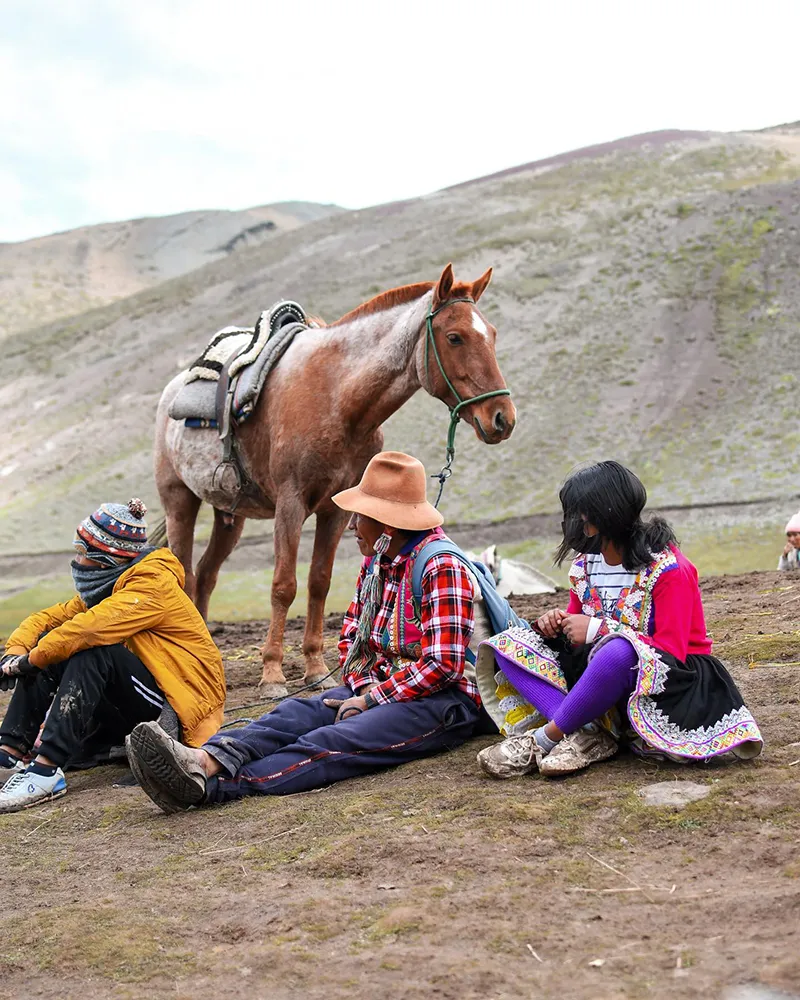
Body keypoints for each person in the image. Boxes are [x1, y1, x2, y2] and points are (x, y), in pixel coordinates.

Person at [125, 451, 481, 813]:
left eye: (360, 516)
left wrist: (372, 700)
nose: (353, 526)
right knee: (293, 714)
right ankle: (203, 761)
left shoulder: (441, 566)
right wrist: (364, 688)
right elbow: (352, 641)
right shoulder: (376, 562)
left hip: (441, 701)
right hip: (382, 686)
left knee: (333, 740)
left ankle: (211, 789)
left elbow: (443, 665)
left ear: (387, 524)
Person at [476, 461, 762, 779]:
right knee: (509, 643)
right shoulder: (587, 566)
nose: (570, 524)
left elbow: (673, 650)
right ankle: (585, 732)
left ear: (600, 517)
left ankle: (545, 739)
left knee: (618, 651)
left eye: (576, 515)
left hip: (671, 684)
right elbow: (578, 625)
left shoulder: (669, 570)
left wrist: (598, 629)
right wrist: (558, 624)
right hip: (605, 677)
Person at [0, 499, 226, 813]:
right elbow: (46, 620)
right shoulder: (113, 583)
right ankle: (8, 754)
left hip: (175, 706)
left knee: (89, 650)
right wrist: (14, 654)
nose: (77, 560)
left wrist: (30, 661)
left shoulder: (151, 586)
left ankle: (45, 772)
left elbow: (87, 631)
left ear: (107, 558)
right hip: (138, 696)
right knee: (48, 644)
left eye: (83, 552)